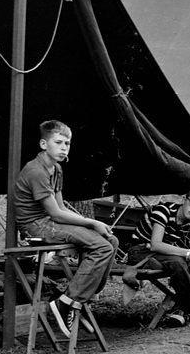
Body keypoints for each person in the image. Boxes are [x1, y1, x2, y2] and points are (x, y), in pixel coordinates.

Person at [12, 119, 118, 336]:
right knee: (102, 247)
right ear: (44, 144)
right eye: (58, 142)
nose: (63, 148)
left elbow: (60, 207)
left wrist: (95, 227)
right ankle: (66, 303)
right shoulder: (36, 171)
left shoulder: (57, 169)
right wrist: (94, 222)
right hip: (35, 226)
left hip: (50, 221)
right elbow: (56, 213)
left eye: (67, 143)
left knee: (111, 241)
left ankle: (79, 300)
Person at [126, 186, 190, 327]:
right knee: (179, 261)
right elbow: (156, 244)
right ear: (184, 199)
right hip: (141, 253)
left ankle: (179, 310)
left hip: (166, 256)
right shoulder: (164, 211)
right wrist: (188, 253)